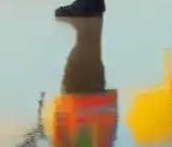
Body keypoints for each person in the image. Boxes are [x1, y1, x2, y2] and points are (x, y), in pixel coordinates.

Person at [46, 17, 118, 146]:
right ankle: (86, 21)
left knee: (92, 53)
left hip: (98, 102)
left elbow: (108, 135)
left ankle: (89, 20)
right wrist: (59, 112)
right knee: (81, 56)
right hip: (77, 102)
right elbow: (61, 137)